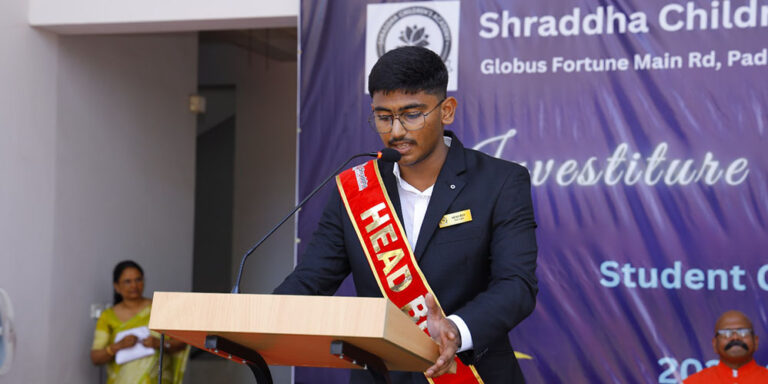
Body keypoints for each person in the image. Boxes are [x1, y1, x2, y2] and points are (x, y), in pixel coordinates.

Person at [275, 46, 538, 383]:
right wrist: (252, 318)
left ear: (446, 111)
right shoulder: (355, 191)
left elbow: (516, 285)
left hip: (472, 373)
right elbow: (310, 282)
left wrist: (456, 330)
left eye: (412, 114)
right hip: (380, 374)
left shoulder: (500, 182)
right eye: (384, 117)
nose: (396, 131)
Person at [91, 260, 190, 384]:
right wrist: (118, 346)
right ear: (116, 286)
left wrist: (159, 343)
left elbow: (182, 343)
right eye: (128, 281)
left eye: (138, 280)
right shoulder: (108, 316)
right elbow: (96, 357)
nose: (134, 286)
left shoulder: (159, 308)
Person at [684, 310, 768, 383]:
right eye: (726, 333)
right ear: (715, 344)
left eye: (743, 332)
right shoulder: (693, 382)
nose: (735, 337)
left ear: (756, 341)